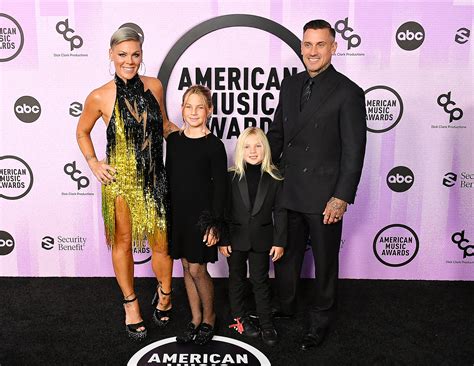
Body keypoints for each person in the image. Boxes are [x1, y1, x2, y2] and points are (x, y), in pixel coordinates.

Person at [267, 19, 367, 350]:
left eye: (320, 45)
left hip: (325, 196)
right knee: (286, 255)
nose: (313, 52)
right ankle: (287, 306)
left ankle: (321, 320)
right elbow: (279, 134)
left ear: (334, 47)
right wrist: (257, 164)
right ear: (301, 48)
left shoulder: (348, 92)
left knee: (324, 262)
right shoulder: (290, 85)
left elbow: (354, 151)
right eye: (308, 45)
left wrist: (341, 197)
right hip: (289, 188)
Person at [76, 27, 178, 341]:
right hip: (120, 184)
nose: (129, 61)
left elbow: (164, 125)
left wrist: (196, 138)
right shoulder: (99, 96)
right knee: (121, 243)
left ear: (141, 55)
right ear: (111, 55)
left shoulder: (155, 86)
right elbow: (82, 132)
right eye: (122, 54)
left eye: (135, 54)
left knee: (162, 244)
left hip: (155, 179)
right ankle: (131, 304)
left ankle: (165, 293)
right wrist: (94, 163)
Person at [166, 85, 228, 345]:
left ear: (209, 110)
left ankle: (209, 318)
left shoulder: (214, 146)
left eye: (199, 107)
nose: (193, 112)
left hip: (202, 218)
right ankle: (194, 318)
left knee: (197, 268)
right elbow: (171, 179)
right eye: (188, 106)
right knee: (184, 266)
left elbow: (221, 188)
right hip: (178, 215)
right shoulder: (175, 141)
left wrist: (215, 224)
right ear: (181, 109)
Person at [219, 127, 286, 347]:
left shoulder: (275, 177)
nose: (253, 151)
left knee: (261, 281)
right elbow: (224, 210)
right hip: (235, 238)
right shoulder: (230, 177)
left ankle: (266, 323)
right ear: (240, 149)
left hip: (262, 240)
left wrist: (279, 241)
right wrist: (224, 239)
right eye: (247, 146)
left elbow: (280, 211)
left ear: (265, 148)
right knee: (236, 279)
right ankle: (240, 318)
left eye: (258, 145)